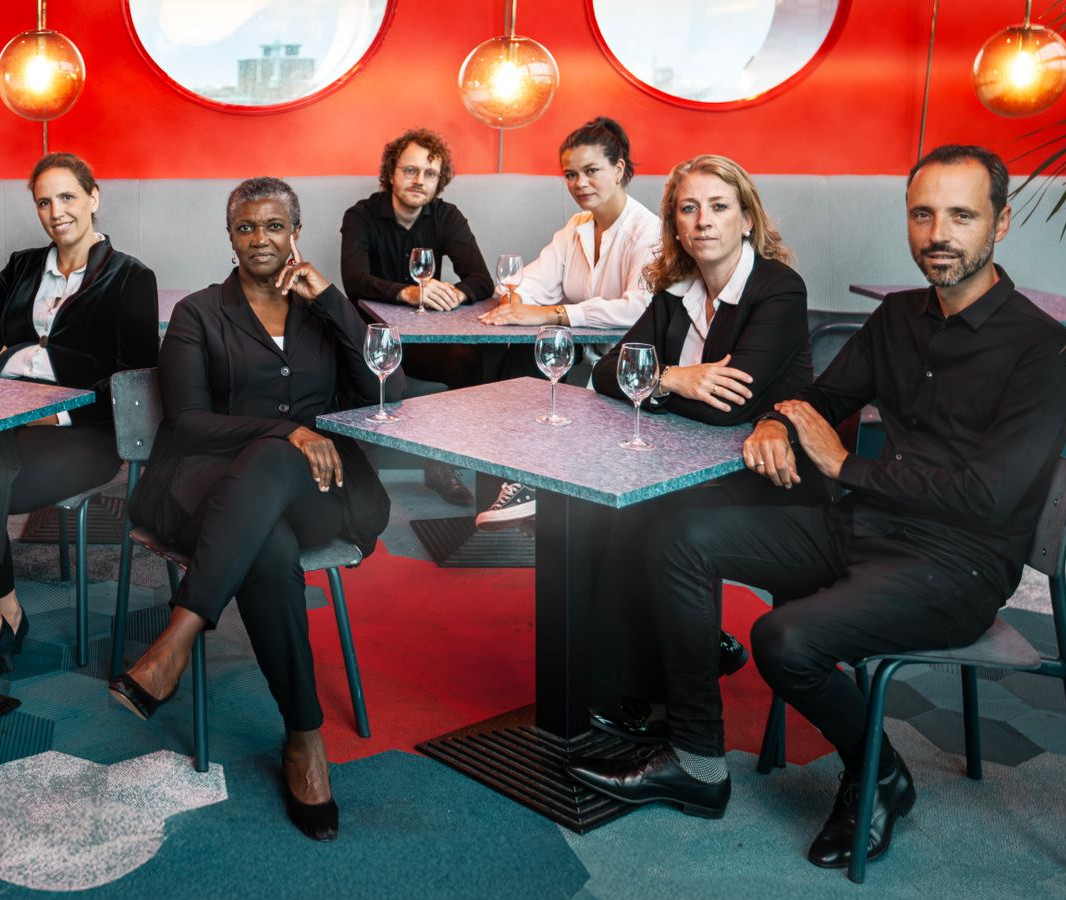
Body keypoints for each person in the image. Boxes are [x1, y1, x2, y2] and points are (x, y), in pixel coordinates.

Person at [567, 146, 1066, 872]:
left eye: (961, 216)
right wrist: (778, 424)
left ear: (999, 223)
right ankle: (697, 761)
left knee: (784, 638)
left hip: (958, 564)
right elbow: (822, 398)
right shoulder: (897, 317)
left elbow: (987, 496)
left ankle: (880, 773)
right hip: (863, 527)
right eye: (923, 214)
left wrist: (845, 466)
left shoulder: (1043, 348)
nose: (938, 233)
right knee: (675, 534)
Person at [110, 177, 389, 842]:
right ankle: (305, 738)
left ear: (296, 232)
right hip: (209, 486)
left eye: (273, 226)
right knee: (268, 539)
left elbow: (387, 392)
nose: (260, 239)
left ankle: (175, 642)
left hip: (322, 493)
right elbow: (187, 422)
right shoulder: (199, 313)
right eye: (246, 227)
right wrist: (287, 432)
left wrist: (332, 302)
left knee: (273, 486)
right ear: (229, 236)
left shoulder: (328, 310)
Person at [583, 154, 820, 739]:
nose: (703, 221)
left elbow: (728, 408)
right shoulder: (674, 290)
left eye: (719, 206)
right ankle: (669, 657)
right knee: (600, 509)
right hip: (688, 464)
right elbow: (607, 373)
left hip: (772, 477)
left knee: (645, 517)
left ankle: (645, 692)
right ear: (675, 224)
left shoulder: (778, 289)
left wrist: (653, 386)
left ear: (747, 219)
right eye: (688, 209)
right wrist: (675, 378)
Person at [0, 153, 159, 680]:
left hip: (81, 431)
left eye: (67, 197)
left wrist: (54, 413)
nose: (55, 211)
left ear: (93, 197)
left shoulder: (131, 277)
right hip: (4, 414)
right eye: (44, 201)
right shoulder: (22, 266)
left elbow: (134, 379)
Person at [475, 117, 661, 530]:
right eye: (571, 175)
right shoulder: (576, 227)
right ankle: (520, 476)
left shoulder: (647, 232)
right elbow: (528, 281)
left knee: (542, 363)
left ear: (619, 169)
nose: (580, 183)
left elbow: (637, 308)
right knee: (513, 362)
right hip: (584, 355)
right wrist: (515, 299)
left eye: (591, 170)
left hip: (631, 364)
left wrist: (551, 313)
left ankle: (534, 483)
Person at [339, 127, 497, 506]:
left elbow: (481, 279)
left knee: (473, 361)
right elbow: (354, 281)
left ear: (439, 181)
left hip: (424, 341)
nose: (419, 180)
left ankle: (442, 463)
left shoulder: (446, 216)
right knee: (344, 367)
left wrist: (455, 293)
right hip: (373, 340)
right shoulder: (361, 215)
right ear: (391, 172)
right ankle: (362, 480)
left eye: (429, 174)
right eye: (410, 170)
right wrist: (408, 292)